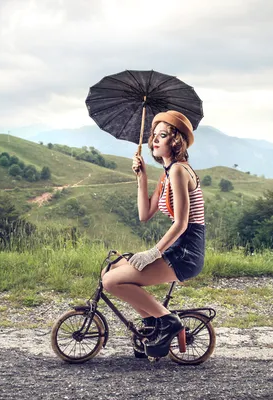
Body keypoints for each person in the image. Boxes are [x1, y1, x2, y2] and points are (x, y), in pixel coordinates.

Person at [101, 110, 206, 358]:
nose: (155, 140)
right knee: (111, 272)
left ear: (176, 141)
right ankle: (151, 329)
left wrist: (152, 253)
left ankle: (167, 322)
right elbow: (145, 213)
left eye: (162, 135)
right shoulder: (167, 174)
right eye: (153, 135)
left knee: (111, 282)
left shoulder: (180, 171)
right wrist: (142, 177)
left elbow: (181, 224)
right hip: (178, 247)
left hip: (186, 251)